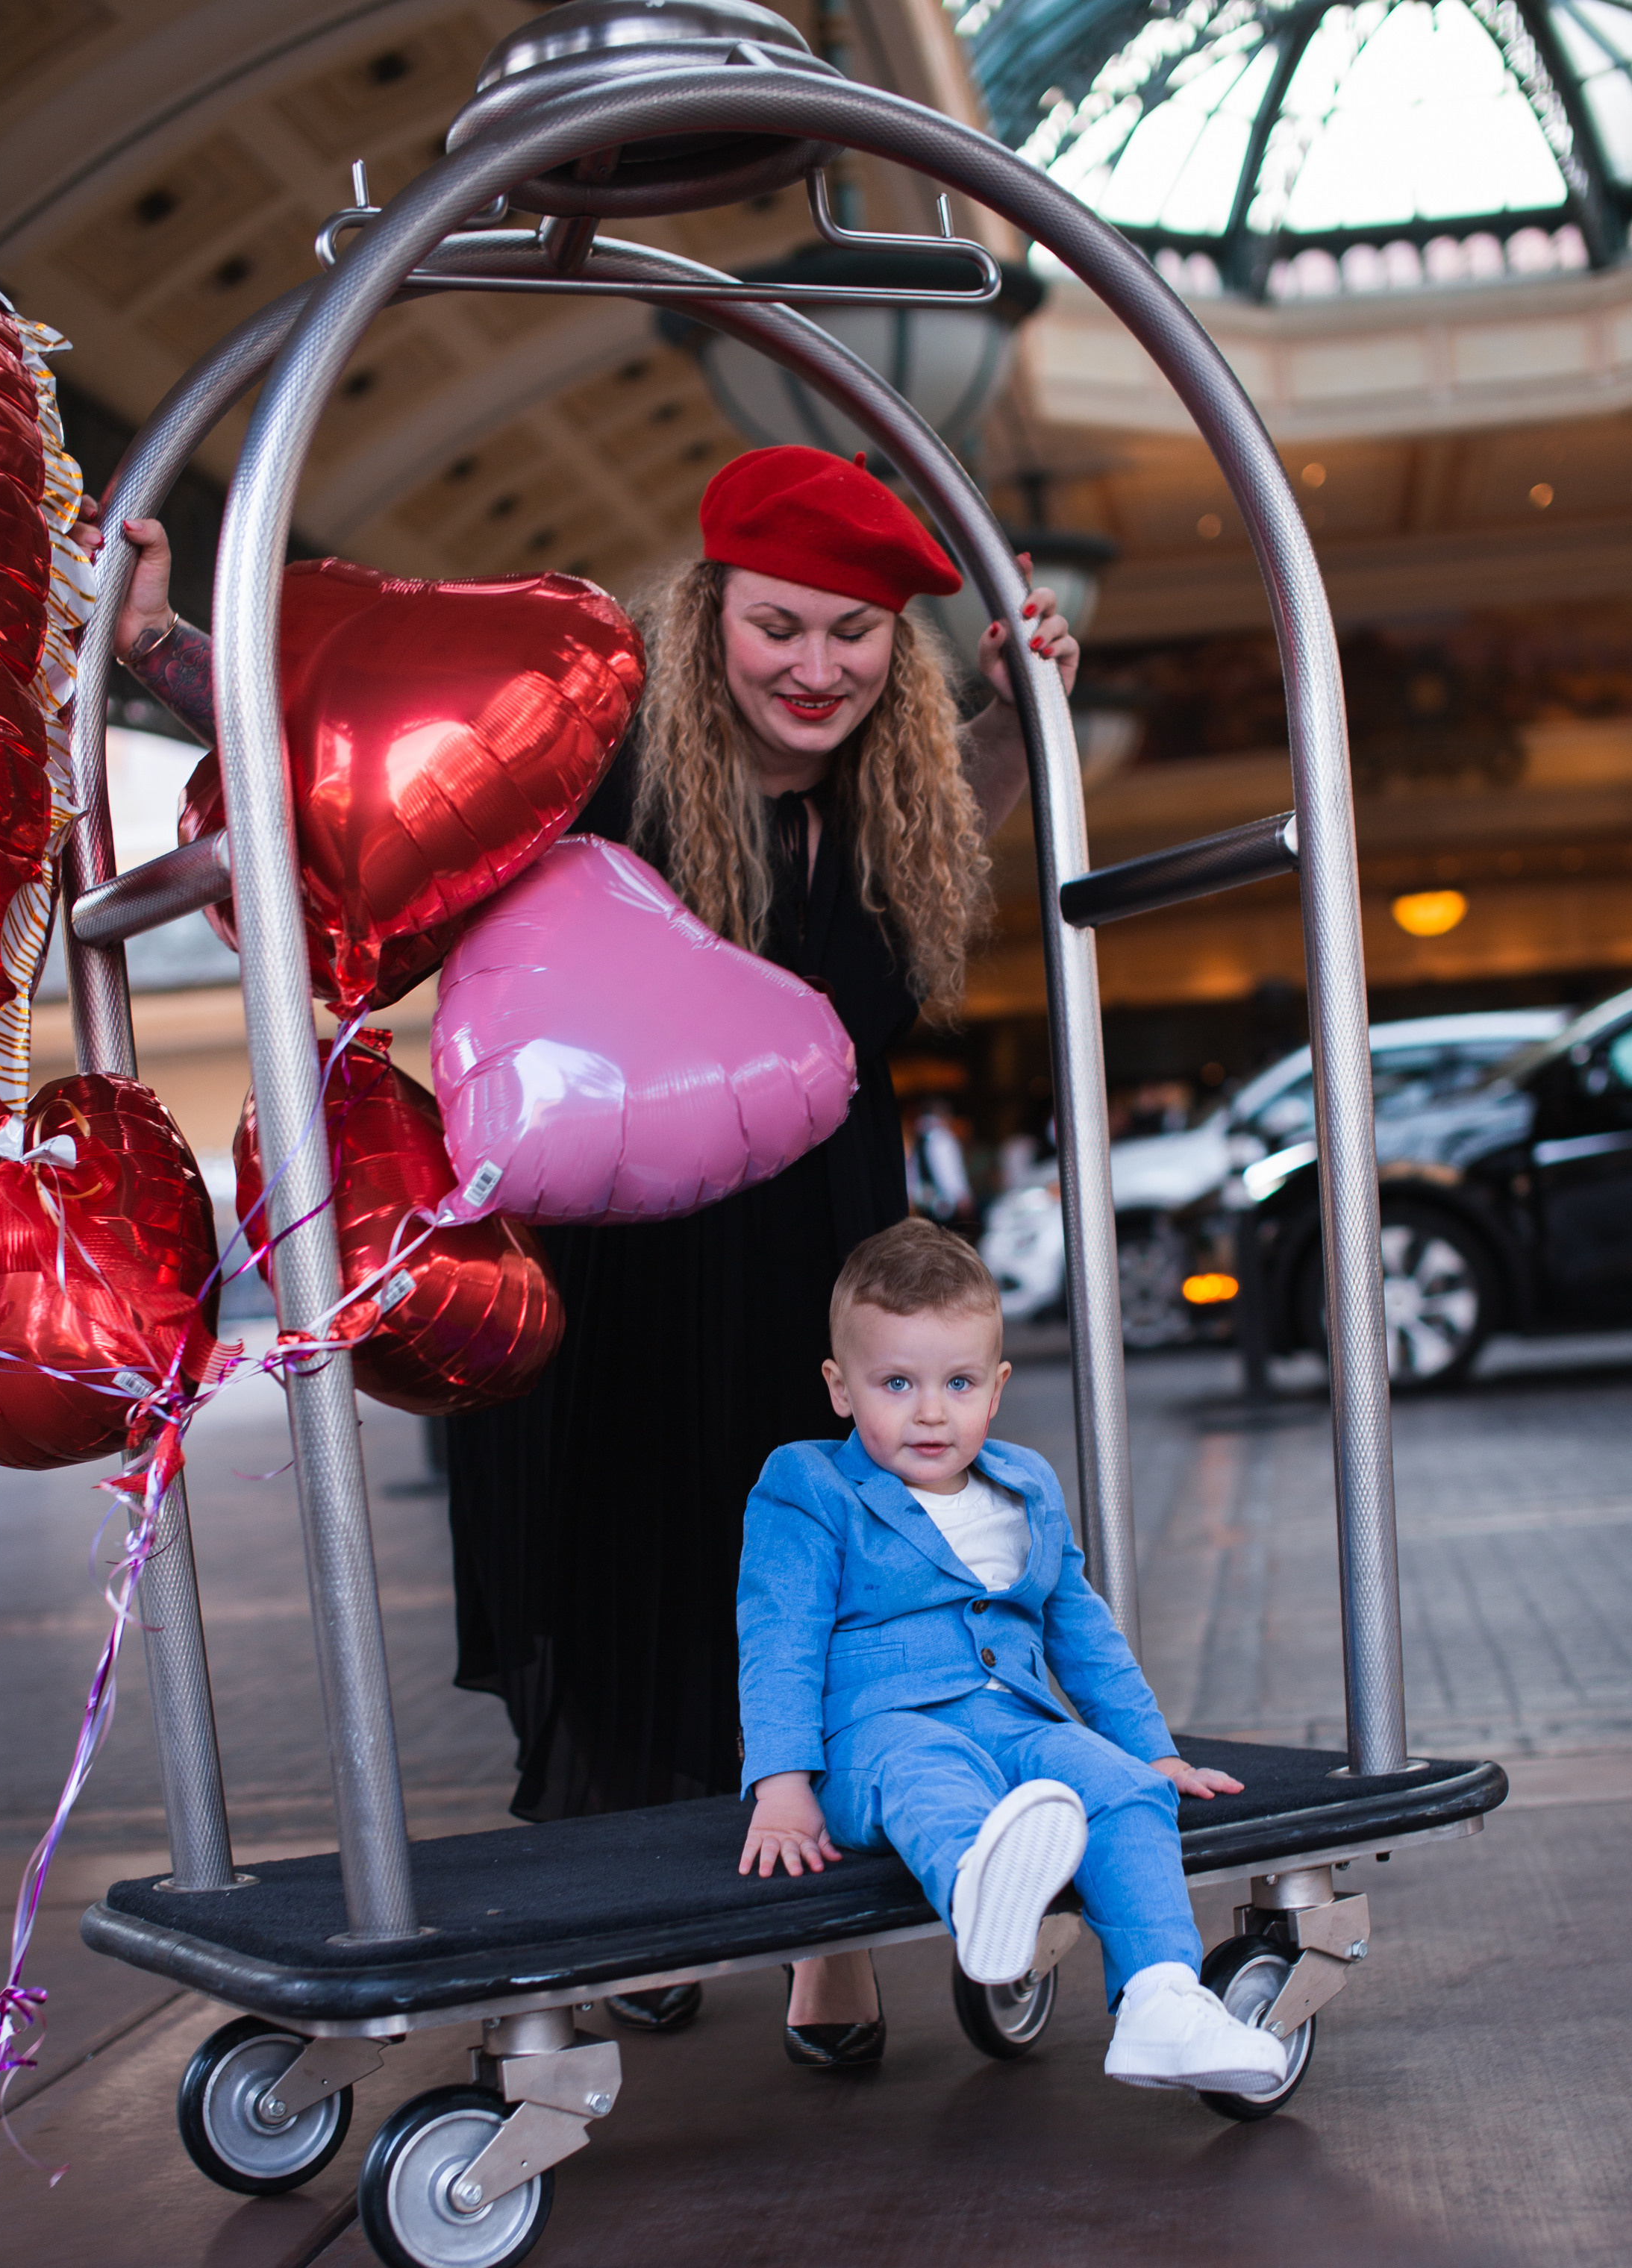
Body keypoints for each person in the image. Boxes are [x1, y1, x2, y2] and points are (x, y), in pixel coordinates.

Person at [102, 446, 1081, 2065]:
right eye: (780, 624)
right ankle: (631, 1896)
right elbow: (344, 761)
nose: (815, 667)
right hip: (608, 1266)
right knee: (622, 1575)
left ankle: (826, 1953)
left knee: (832, 1586)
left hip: (814, 1264)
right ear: (709, 614)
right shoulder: (599, 755)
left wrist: (1010, 708)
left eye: (853, 635)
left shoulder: (897, 805)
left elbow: (968, 802)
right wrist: (154, 649)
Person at [737, 1218, 1289, 2096]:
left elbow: (1082, 1629)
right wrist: (781, 1786)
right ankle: (983, 1895)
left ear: (995, 1390)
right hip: (877, 1736)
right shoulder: (808, 1487)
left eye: (956, 1383)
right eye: (896, 1383)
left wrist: (1149, 1748)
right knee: (931, 1775)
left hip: (1017, 1721)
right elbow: (778, 1642)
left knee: (1124, 1793)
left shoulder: (1024, 1484)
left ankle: (1159, 1998)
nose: (929, 1411)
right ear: (840, 1390)